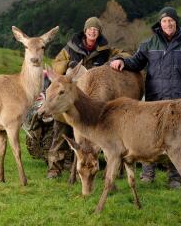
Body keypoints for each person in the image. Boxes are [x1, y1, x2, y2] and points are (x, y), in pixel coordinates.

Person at [110, 6, 181, 189]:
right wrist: (121, 61)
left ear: (176, 22)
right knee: (149, 136)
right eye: (164, 21)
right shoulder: (149, 44)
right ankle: (148, 173)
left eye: (171, 20)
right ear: (159, 24)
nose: (168, 24)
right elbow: (136, 62)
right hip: (155, 102)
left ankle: (175, 177)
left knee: (178, 140)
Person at [47, 16, 129, 178]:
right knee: (61, 130)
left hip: (91, 99)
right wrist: (69, 65)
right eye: (90, 29)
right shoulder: (71, 47)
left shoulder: (104, 49)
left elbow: (125, 53)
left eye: (96, 29)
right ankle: (54, 168)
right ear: (85, 31)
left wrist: (117, 59)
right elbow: (56, 63)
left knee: (89, 134)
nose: (93, 31)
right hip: (69, 97)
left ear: (99, 33)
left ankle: (88, 164)